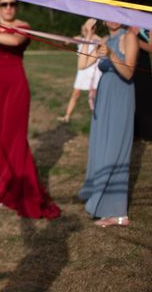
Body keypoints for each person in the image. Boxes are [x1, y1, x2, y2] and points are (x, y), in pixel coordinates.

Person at [0, 0, 60, 219]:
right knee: (4, 139)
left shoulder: (23, 26)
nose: (9, 8)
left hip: (16, 86)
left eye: (12, 4)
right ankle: (6, 189)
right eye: (4, 4)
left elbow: (15, 42)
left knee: (15, 139)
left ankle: (19, 191)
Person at [78, 22, 139, 227]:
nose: (112, 19)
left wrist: (112, 54)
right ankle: (103, 202)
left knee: (115, 150)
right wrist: (88, 35)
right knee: (102, 147)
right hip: (105, 97)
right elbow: (82, 64)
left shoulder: (128, 37)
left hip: (121, 95)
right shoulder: (104, 40)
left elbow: (129, 72)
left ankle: (118, 212)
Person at [59, 19, 102, 123]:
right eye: (83, 28)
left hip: (93, 71)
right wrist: (67, 41)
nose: (84, 30)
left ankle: (97, 118)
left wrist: (92, 35)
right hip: (82, 70)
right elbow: (67, 41)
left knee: (93, 95)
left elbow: (102, 42)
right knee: (75, 93)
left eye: (87, 28)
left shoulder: (96, 39)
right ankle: (67, 115)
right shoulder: (79, 39)